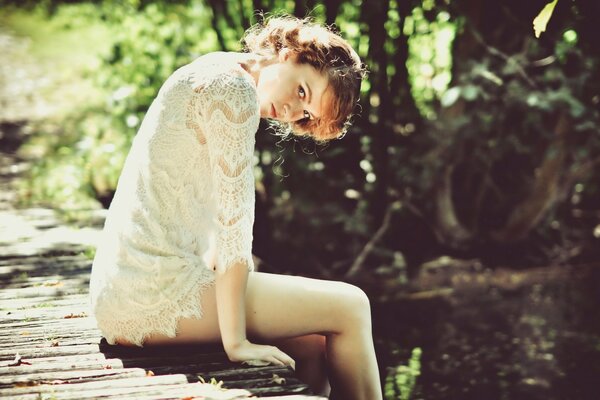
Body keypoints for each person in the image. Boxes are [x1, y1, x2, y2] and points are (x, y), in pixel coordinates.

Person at [89, 15, 382, 400]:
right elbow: (234, 233)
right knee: (351, 306)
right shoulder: (234, 94)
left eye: (305, 114)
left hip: (123, 286)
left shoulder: (217, 66)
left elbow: (199, 208)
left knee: (311, 344)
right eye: (302, 92)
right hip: (148, 294)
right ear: (293, 53)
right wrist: (237, 342)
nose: (293, 113)